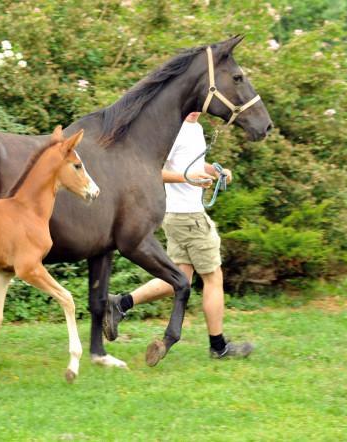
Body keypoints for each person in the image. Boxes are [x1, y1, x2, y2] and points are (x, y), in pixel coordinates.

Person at [103, 112, 253, 359]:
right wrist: (188, 179)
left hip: (178, 217)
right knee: (214, 278)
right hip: (188, 216)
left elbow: (190, 165)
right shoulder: (172, 128)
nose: (194, 109)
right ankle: (219, 347)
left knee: (178, 278)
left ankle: (120, 304)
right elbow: (152, 169)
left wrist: (216, 171)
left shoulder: (195, 128)